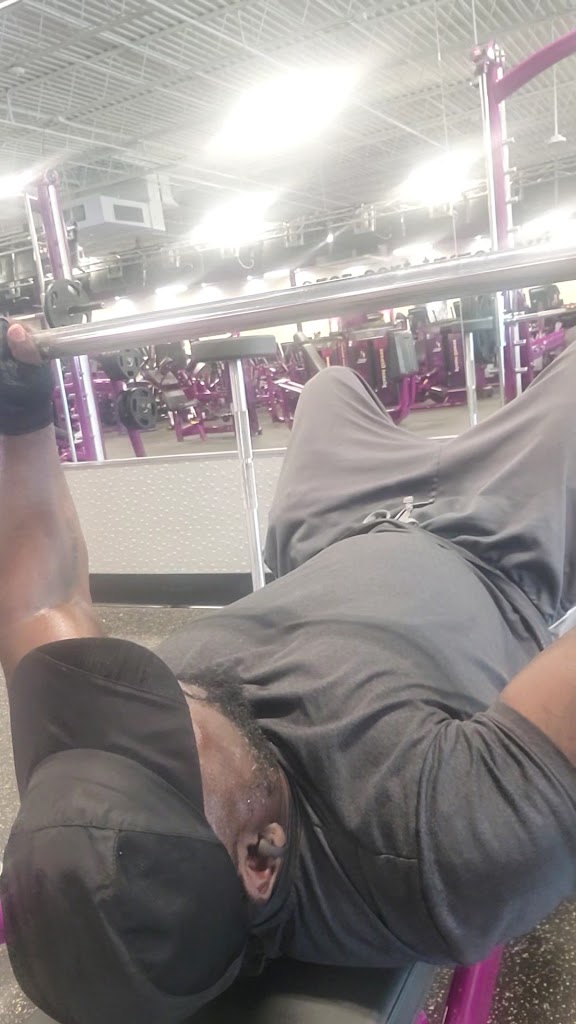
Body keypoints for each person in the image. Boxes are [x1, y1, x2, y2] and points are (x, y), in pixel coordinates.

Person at [1, 320, 576, 1024]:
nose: (150, 697)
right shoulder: (435, 843)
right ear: (261, 858)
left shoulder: (78, 776)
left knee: (329, 387)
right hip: (496, 539)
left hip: (328, 531)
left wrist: (19, 408)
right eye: (169, 744)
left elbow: (41, 602)